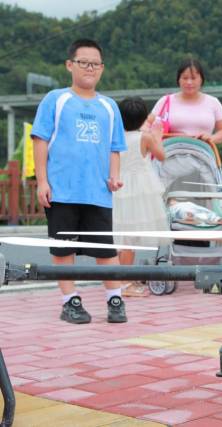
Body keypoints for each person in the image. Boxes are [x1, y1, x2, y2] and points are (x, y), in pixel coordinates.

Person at [32, 39, 127, 324]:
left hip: (97, 193)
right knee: (64, 249)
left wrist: (114, 177)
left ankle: (115, 299)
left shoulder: (109, 107)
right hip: (62, 191)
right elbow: (40, 140)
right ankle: (70, 301)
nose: (89, 68)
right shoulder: (56, 99)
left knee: (105, 251)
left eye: (95, 64)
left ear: (102, 69)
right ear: (70, 65)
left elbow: (114, 147)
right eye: (83, 62)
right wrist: (42, 182)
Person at [113, 97, 169, 297]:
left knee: (123, 236)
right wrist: (158, 135)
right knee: (130, 238)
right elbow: (161, 155)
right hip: (140, 190)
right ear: (144, 117)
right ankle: (124, 283)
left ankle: (120, 279)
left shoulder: (115, 135)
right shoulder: (145, 137)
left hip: (119, 186)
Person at [151, 58, 222, 151]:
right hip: (170, 157)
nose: (189, 82)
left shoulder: (213, 102)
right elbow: (147, 125)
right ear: (178, 80)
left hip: (203, 157)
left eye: (193, 78)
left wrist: (212, 138)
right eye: (185, 78)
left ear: (201, 79)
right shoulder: (165, 101)